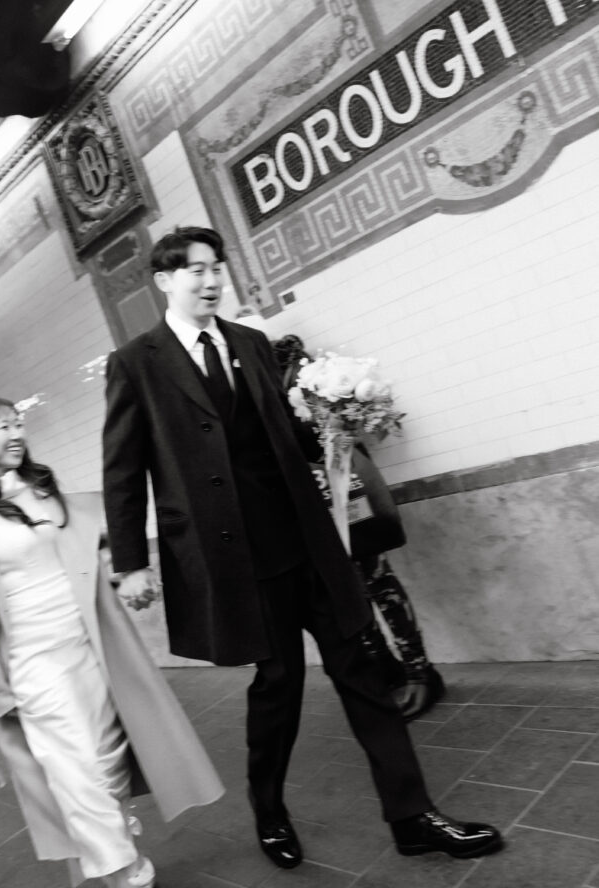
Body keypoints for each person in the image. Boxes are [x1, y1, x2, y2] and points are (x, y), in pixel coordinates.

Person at [102, 226, 503, 871]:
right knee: (279, 688)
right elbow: (122, 469)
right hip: (238, 561)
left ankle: (412, 816)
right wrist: (129, 562)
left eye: (217, 269)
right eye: (197, 271)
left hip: (306, 543)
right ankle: (270, 810)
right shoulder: (136, 363)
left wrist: (337, 422)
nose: (211, 282)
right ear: (164, 281)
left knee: (363, 673)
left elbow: (288, 434)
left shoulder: (251, 345)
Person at [0, 398, 223, 888]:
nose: (18, 432)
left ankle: (109, 846)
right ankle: (128, 874)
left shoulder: (42, 491)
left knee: (106, 756)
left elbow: (83, 556)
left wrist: (123, 574)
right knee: (75, 768)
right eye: (4, 426)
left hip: (87, 646)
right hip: (32, 663)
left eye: (20, 423)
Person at [272, 333, 445, 721]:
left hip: (345, 491)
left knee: (377, 580)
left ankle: (421, 673)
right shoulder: (258, 390)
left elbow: (331, 436)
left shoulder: (301, 378)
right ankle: (386, 669)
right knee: (346, 591)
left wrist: (337, 425)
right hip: (306, 507)